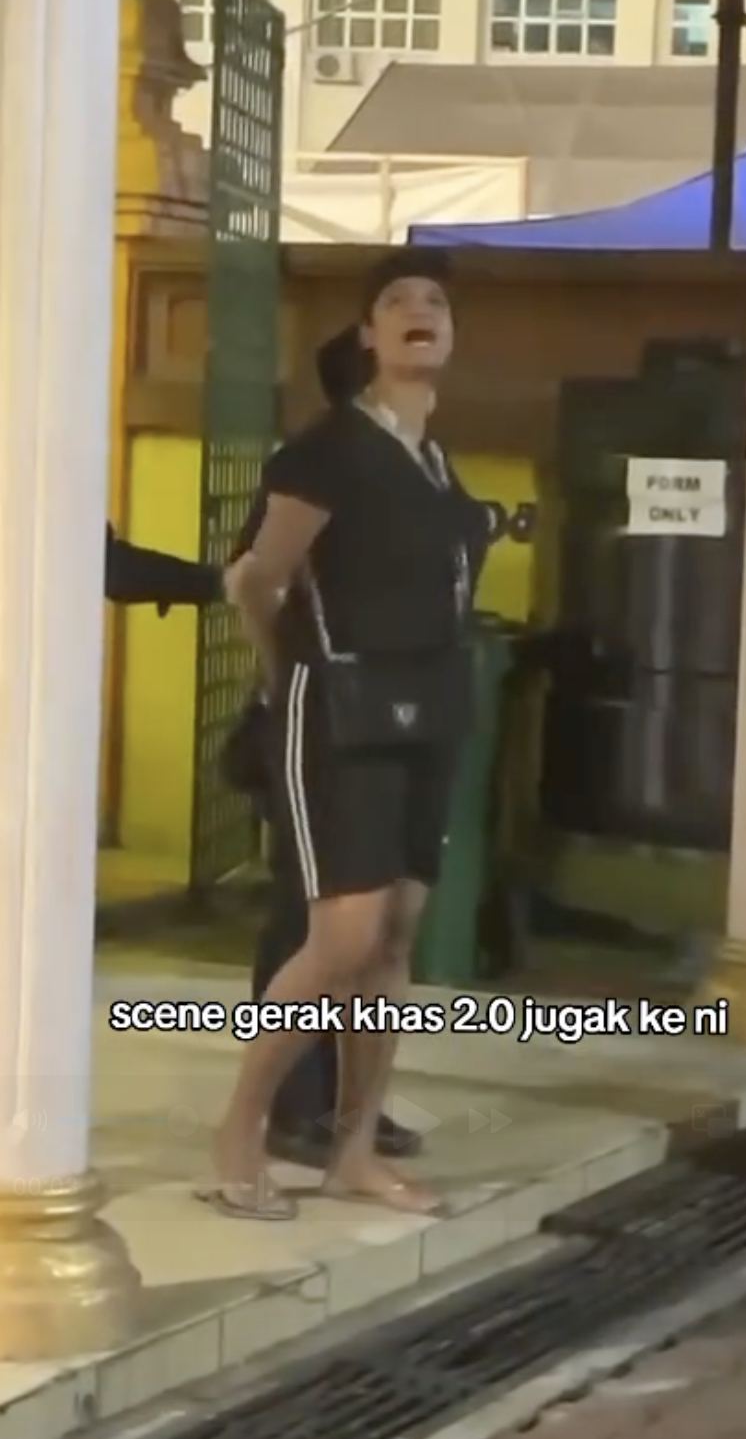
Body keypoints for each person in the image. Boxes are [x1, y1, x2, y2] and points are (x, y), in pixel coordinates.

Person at [200, 246, 494, 1220]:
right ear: (367, 334)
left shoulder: (436, 461)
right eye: (397, 300)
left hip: (430, 708)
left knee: (392, 937)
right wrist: (285, 674)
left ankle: (353, 1152)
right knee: (343, 934)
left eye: (435, 301)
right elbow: (255, 578)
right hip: (339, 710)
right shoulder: (326, 448)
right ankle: (240, 1135)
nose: (420, 310)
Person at [235, 327, 421, 1168]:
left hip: (387, 721)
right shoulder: (316, 465)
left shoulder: (409, 465)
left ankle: (349, 1110)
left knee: (370, 928)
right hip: (321, 720)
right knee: (306, 920)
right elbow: (255, 581)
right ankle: (287, 1108)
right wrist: (287, 686)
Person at [105, 522, 221, 610]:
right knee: (177, 574)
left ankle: (212, 590)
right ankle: (219, 583)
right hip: (120, 561)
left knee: (172, 585)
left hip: (115, 586)